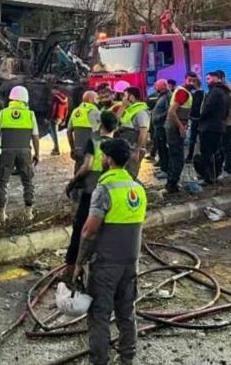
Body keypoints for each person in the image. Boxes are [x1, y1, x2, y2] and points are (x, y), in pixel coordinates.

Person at [73, 138, 146, 365]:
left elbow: (89, 230)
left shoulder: (105, 188)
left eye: (104, 156)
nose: (102, 159)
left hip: (106, 264)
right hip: (130, 262)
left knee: (99, 316)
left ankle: (100, 361)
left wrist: (78, 264)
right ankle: (127, 359)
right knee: (126, 313)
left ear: (109, 160)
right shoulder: (138, 188)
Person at [63, 111, 118, 273]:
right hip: (110, 194)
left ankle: (71, 267)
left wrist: (73, 182)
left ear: (101, 125)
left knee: (80, 227)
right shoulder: (118, 145)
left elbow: (87, 166)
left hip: (91, 191)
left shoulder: (93, 142)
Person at [0, 85, 39, 223]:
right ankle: (28, 212)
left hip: (7, 151)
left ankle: (1, 214)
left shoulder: (4, 113)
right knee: (27, 181)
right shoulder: (30, 114)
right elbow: (35, 136)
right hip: (25, 151)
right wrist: (37, 153)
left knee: (2, 181)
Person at [197, 71, 230, 184]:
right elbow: (227, 110)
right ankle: (216, 174)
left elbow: (208, 108)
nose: (207, 81)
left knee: (206, 153)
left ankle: (208, 177)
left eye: (209, 79)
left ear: (217, 78)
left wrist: (200, 118)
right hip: (219, 126)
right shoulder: (225, 92)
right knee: (217, 151)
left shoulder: (214, 92)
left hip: (209, 127)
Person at [165, 77, 193, 193]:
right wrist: (181, 127)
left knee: (174, 156)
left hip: (172, 127)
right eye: (190, 80)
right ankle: (172, 185)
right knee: (178, 158)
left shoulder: (181, 91)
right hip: (174, 128)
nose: (192, 83)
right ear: (185, 79)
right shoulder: (183, 93)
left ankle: (170, 183)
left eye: (194, 80)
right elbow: (172, 111)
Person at [116, 87, 150, 180]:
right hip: (127, 148)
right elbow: (115, 121)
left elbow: (143, 132)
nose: (122, 98)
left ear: (131, 97)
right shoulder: (130, 110)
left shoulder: (141, 112)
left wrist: (137, 151)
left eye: (125, 95)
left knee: (130, 176)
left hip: (133, 149)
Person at [67, 90, 101, 172]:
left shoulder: (75, 111)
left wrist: (72, 148)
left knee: (78, 175)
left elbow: (69, 131)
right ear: (90, 100)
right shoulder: (95, 112)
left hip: (79, 151)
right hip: (93, 152)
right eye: (97, 98)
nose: (98, 101)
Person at [149, 80, 170, 176]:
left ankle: (165, 170)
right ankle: (162, 167)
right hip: (158, 126)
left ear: (163, 86)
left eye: (156, 86)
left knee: (163, 149)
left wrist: (158, 117)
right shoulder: (161, 96)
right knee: (160, 148)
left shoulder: (167, 96)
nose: (154, 87)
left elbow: (169, 110)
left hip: (162, 126)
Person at [185, 72, 204, 162]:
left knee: (193, 139)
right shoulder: (203, 93)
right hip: (201, 120)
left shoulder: (197, 94)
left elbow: (195, 107)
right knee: (200, 139)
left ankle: (190, 156)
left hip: (196, 119)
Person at [48, 88, 69, 156]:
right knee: (52, 131)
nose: (51, 92)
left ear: (56, 90)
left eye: (52, 90)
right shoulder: (65, 98)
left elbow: (53, 108)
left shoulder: (55, 98)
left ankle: (56, 149)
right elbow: (66, 109)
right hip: (60, 118)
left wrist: (50, 117)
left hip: (54, 117)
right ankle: (55, 147)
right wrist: (64, 119)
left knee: (54, 133)